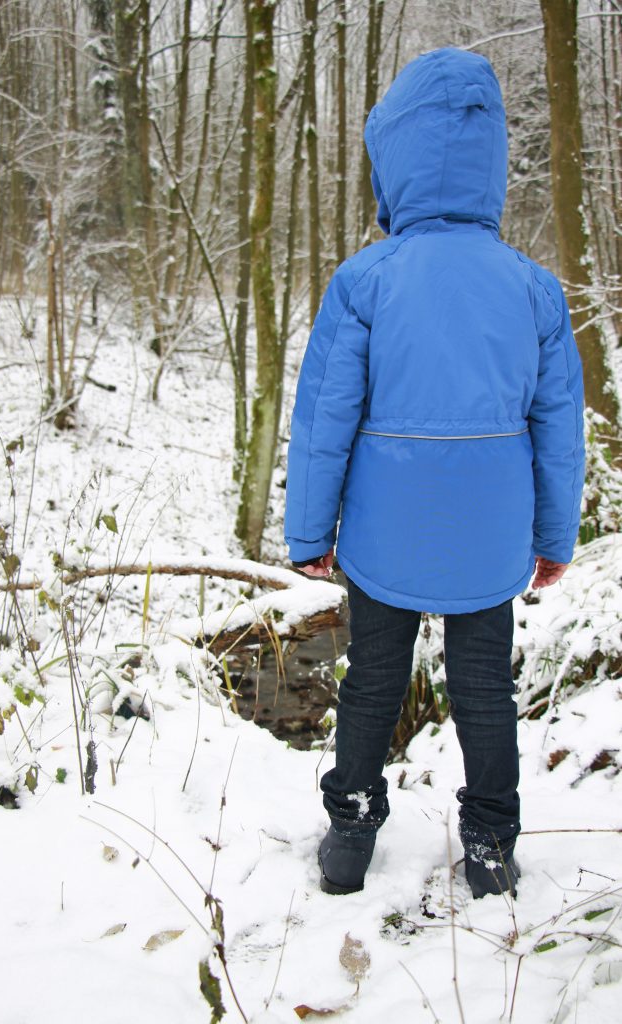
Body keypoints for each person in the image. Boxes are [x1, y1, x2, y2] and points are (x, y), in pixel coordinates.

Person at [284, 47, 585, 899]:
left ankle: (349, 832)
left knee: (372, 680)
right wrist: (552, 537)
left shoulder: (364, 281)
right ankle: (489, 844)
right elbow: (558, 433)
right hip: (488, 536)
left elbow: (322, 424)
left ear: (397, 161)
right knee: (485, 688)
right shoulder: (533, 289)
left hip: (384, 532)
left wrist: (310, 534)